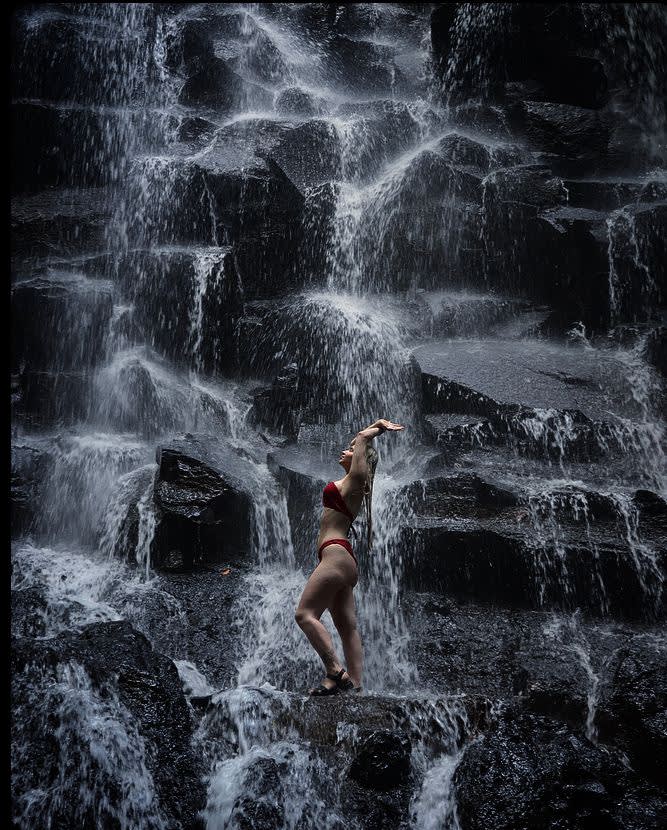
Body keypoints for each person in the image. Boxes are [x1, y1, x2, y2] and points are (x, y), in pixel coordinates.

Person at [295, 417, 405, 696]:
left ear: (361, 459)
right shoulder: (352, 484)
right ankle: (354, 684)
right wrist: (375, 425)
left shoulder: (356, 481)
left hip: (334, 556)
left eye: (352, 449)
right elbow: (360, 440)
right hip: (344, 561)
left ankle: (334, 669)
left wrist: (377, 429)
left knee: (305, 615)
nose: (347, 449)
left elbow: (363, 439)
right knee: (347, 627)